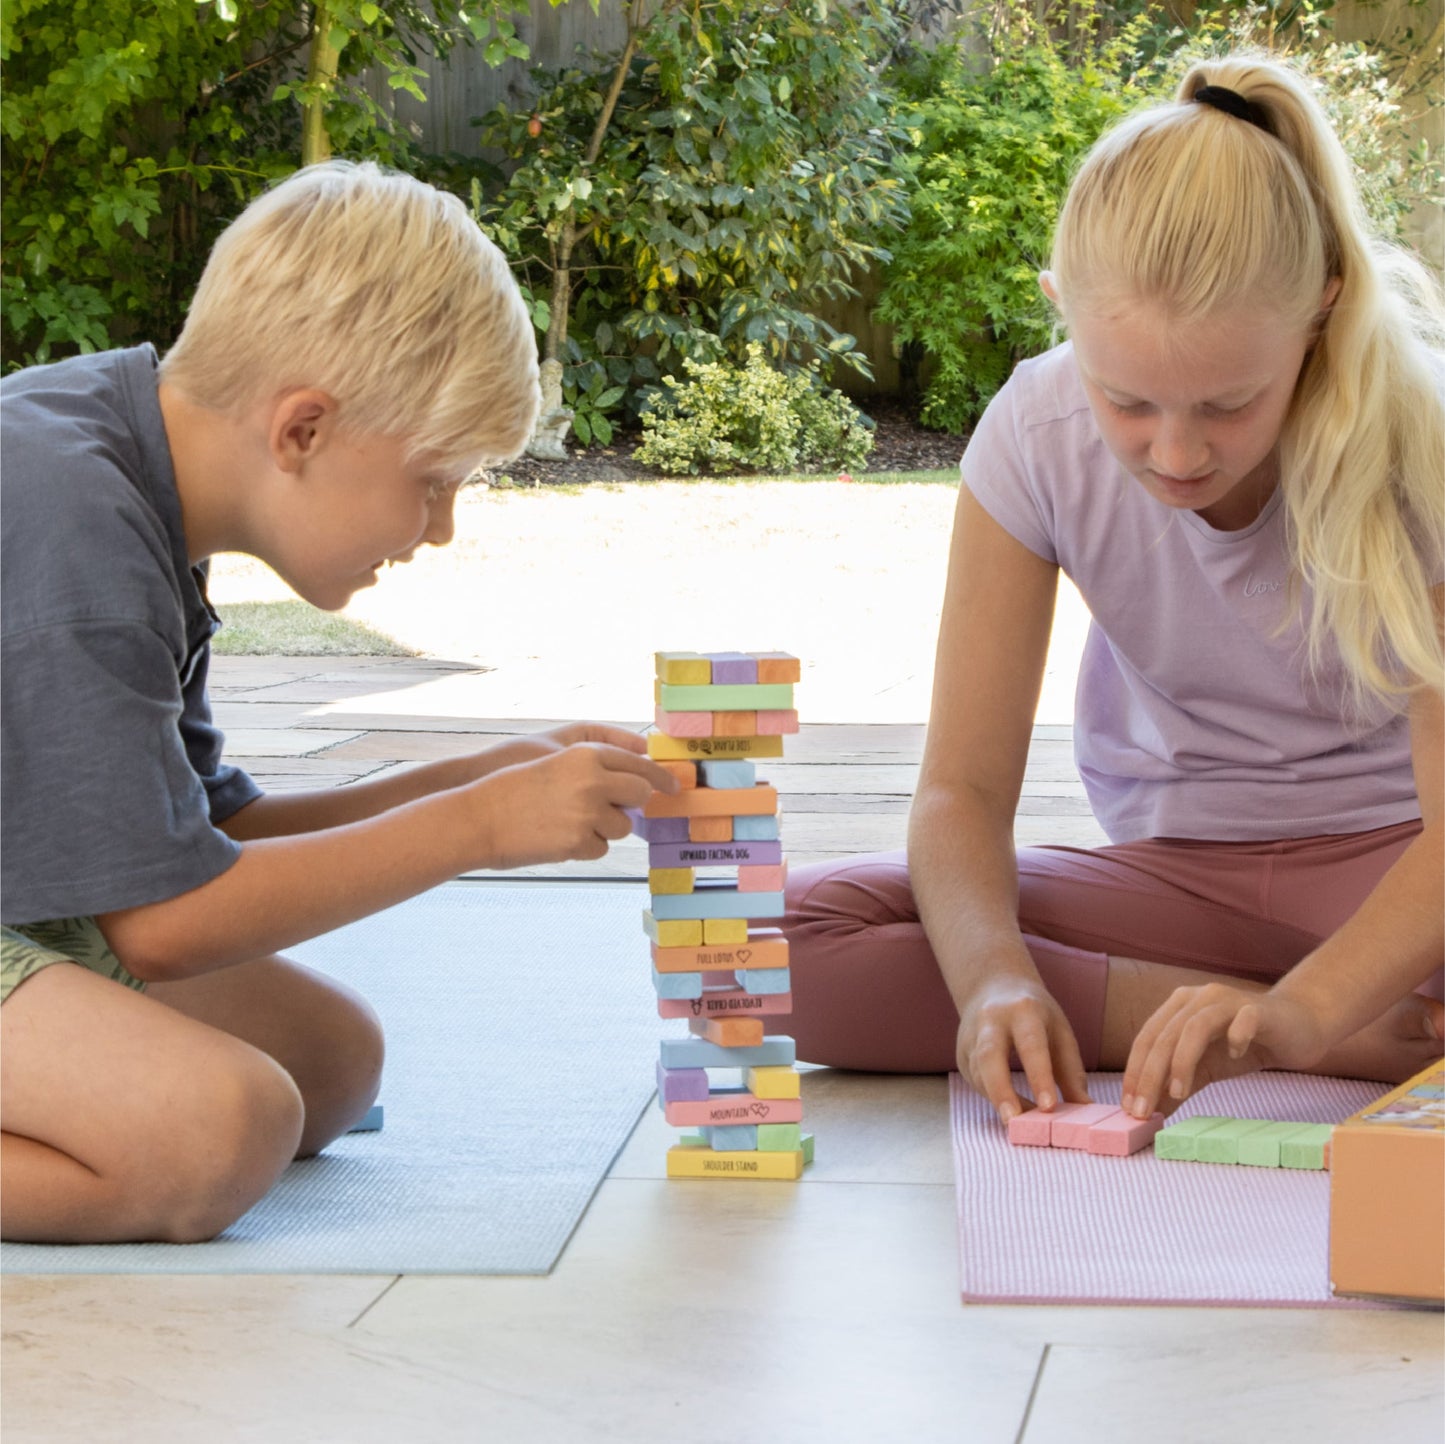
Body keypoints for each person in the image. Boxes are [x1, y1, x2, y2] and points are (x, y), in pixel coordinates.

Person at [0, 162, 678, 1244]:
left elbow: (213, 839)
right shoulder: (78, 533)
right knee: (220, 1128)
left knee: (330, 1063)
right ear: (303, 431)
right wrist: (477, 828)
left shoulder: (140, 481)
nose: (441, 526)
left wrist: (487, 772)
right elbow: (168, 924)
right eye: (433, 479)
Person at [781, 56, 1444, 1126]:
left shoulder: (1419, 445)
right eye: (1125, 399)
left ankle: (1301, 1024)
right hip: (1176, 883)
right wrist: (994, 978)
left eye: (1228, 404)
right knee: (780, 947)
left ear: (1318, 315)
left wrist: (1307, 1009)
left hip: (1402, 883)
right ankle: (1311, 1032)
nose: (1174, 454)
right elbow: (959, 790)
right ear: (1060, 312)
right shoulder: (1033, 435)